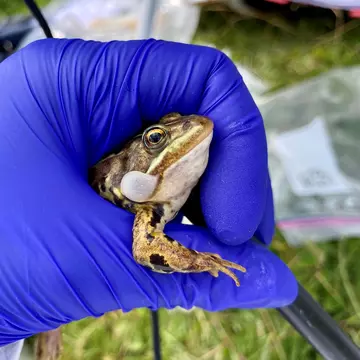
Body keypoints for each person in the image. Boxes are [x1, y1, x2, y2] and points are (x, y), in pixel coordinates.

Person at [0, 38, 297, 359]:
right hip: (56, 233)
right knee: (49, 338)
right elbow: (145, 248)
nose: (190, 126)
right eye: (157, 137)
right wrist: (198, 260)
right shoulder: (147, 209)